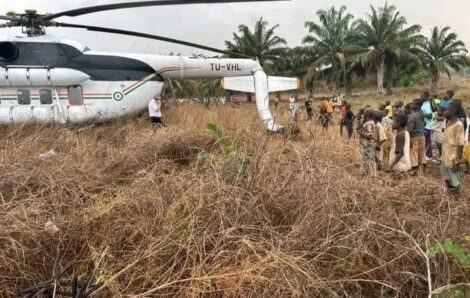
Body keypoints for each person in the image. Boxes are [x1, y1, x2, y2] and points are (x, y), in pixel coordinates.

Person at [441, 101, 466, 197]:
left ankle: (455, 199)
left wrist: (457, 160)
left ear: (453, 111)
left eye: (446, 110)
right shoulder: (448, 122)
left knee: (454, 180)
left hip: (452, 157)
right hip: (445, 156)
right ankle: (450, 195)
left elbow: (460, 144)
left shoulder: (458, 125)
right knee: (447, 178)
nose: (444, 111)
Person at [407, 102, 425, 174]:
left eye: (413, 104)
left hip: (414, 136)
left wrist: (407, 131)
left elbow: (410, 129)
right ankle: (422, 169)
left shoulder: (412, 116)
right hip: (422, 135)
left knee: (414, 153)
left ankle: (414, 170)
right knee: (421, 153)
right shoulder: (422, 114)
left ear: (417, 106)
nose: (411, 105)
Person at [359, 109, 377, 176]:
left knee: (369, 159)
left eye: (364, 113)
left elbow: (370, 136)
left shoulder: (369, 123)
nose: (363, 114)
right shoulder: (370, 122)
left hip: (368, 145)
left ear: (367, 115)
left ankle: (371, 174)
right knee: (367, 159)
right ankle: (366, 173)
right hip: (367, 145)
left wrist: (360, 133)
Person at [421, 91, 435, 160]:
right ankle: (426, 154)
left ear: (426, 96)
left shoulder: (428, 104)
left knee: (428, 141)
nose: (421, 96)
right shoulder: (423, 104)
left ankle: (428, 155)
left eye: (422, 95)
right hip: (424, 125)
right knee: (425, 141)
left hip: (429, 126)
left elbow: (430, 115)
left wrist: (422, 114)